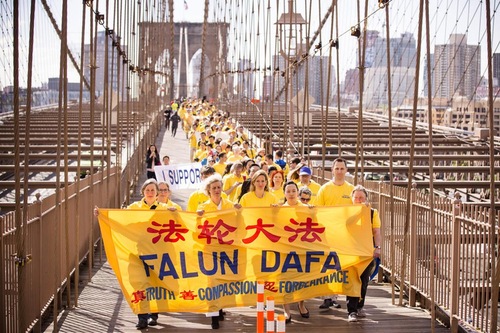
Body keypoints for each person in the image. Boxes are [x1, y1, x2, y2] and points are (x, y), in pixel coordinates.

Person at [95, 179, 169, 330]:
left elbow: (178, 219)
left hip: (157, 253)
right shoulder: (134, 207)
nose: (150, 193)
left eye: (152, 191)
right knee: (139, 284)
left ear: (157, 194)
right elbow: (120, 218)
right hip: (137, 252)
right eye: (147, 190)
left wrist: (175, 213)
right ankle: (142, 317)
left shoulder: (164, 208)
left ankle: (154, 314)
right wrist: (102, 214)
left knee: (156, 283)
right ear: (143, 192)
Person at [196, 174, 241, 329]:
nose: (216, 190)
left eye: (218, 187)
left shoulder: (230, 205)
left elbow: (239, 223)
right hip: (209, 249)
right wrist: (197, 217)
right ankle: (213, 315)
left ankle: (220, 307)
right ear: (208, 191)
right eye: (213, 188)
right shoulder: (202, 208)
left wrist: (240, 212)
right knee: (211, 281)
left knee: (223, 279)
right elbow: (194, 228)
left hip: (227, 249)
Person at [316, 157, 355, 310]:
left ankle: (339, 295)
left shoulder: (351, 189)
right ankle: (327, 296)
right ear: (332, 170)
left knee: (343, 266)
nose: (339, 171)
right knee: (327, 266)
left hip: (345, 235)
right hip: (328, 234)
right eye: (336, 168)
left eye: (341, 168)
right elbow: (318, 210)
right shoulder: (324, 189)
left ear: (346, 170)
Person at [346, 185, 381, 322]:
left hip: (367, 251)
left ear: (366, 199)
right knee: (353, 280)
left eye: (361, 198)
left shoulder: (373, 212)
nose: (359, 200)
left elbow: (376, 231)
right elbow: (346, 226)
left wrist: (377, 247)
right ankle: (352, 310)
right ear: (352, 199)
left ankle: (360, 306)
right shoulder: (347, 211)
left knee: (364, 280)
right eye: (356, 198)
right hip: (351, 250)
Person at [281, 181, 312, 323]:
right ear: (284, 193)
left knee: (301, 278)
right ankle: (286, 310)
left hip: (302, 248)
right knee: (284, 279)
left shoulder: (306, 208)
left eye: (294, 191)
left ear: (297, 192)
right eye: (288, 191)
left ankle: (301, 304)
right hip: (285, 249)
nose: (291, 194)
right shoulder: (280, 209)